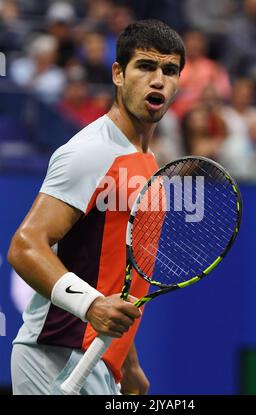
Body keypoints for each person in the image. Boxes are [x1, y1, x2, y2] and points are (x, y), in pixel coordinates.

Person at [8, 19, 185, 395]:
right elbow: (25, 246)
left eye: (169, 70)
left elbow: (119, 281)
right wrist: (91, 306)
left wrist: (128, 360)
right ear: (118, 74)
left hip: (99, 361)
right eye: (145, 66)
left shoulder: (149, 163)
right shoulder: (90, 152)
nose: (158, 80)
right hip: (53, 356)